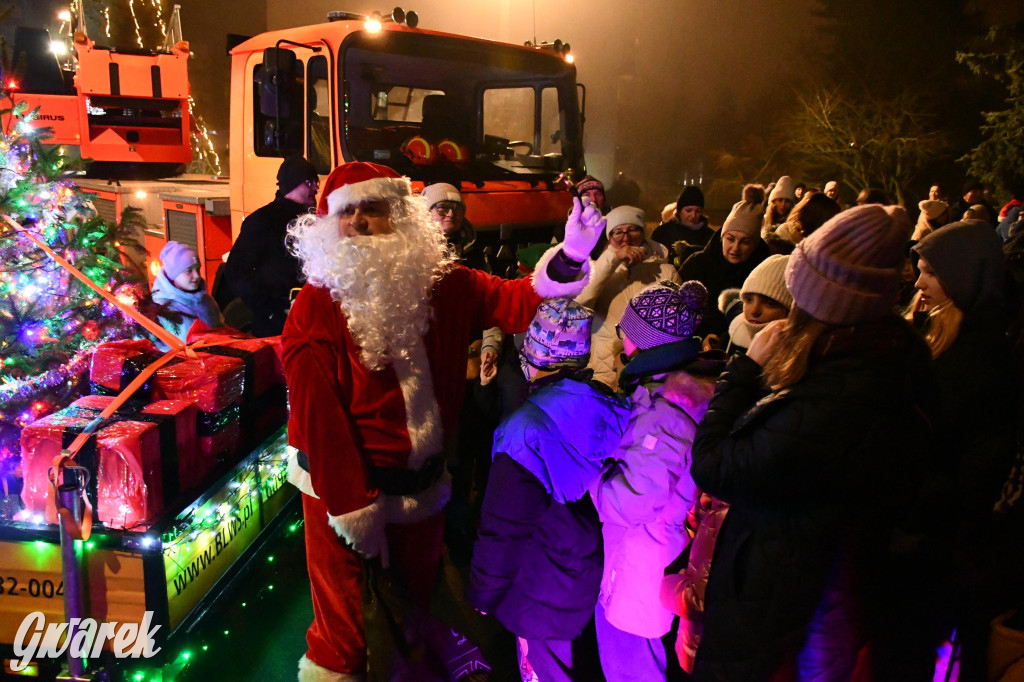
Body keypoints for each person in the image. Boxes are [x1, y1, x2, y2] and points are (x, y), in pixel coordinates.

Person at [281, 161, 603, 681]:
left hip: (423, 493)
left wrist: (570, 257)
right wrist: (352, 506)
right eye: (348, 212)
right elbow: (319, 418)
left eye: (374, 208)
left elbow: (517, 300)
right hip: (342, 499)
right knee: (345, 633)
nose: (360, 222)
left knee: (412, 614)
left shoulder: (447, 284)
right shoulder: (317, 305)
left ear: (401, 217)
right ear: (328, 225)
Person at [687, 205, 933, 680]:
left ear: (828, 304)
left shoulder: (832, 400)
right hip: (805, 595)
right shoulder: (884, 361)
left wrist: (744, 373)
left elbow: (718, 465)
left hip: (780, 609)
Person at [469, 297, 630, 682]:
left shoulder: (523, 431)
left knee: (542, 669)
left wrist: (483, 593)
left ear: (532, 353)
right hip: (584, 564)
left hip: (537, 581)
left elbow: (504, 527)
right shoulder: (608, 404)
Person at [590, 281, 720, 682]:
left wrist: (588, 471)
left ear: (645, 342)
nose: (621, 339)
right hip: (646, 553)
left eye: (626, 331)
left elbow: (628, 502)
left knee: (630, 665)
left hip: (642, 563)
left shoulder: (666, 413)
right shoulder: (668, 391)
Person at [908, 222, 1021, 679]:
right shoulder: (935, 334)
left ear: (965, 276)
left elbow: (973, 472)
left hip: (936, 545)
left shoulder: (984, 362)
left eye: (931, 272)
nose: (918, 283)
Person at [576, 205, 679, 389]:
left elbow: (677, 322)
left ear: (643, 232)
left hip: (650, 370)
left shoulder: (665, 271)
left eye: (633, 230)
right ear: (609, 237)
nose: (626, 238)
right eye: (618, 232)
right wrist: (613, 259)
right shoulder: (597, 270)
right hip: (604, 369)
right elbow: (580, 302)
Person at [220, 155, 319, 336]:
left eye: (316, 182)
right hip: (276, 326)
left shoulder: (314, 220)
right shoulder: (264, 221)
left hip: (308, 319)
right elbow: (236, 270)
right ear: (292, 183)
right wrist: (270, 310)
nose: (316, 187)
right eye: (309, 181)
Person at [679, 200, 770, 343]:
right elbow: (677, 308)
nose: (735, 247)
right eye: (731, 239)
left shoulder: (764, 271)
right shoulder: (697, 264)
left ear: (755, 245)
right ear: (722, 237)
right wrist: (702, 336)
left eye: (745, 242)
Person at [150, 240, 222, 349]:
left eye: (198, 269)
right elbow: (148, 348)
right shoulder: (159, 309)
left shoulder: (207, 301)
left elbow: (221, 330)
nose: (197, 275)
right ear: (173, 275)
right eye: (189, 270)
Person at [721, 254, 792, 354]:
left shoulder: (796, 358)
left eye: (770, 303)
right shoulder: (729, 337)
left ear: (790, 310)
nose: (754, 311)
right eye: (749, 299)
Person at [421, 182, 492, 273]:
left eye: (457, 208)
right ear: (427, 212)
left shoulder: (474, 251)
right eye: (442, 208)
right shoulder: (414, 250)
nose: (451, 214)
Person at [651, 185, 714, 256]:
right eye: (688, 210)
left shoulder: (711, 236)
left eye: (698, 211)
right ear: (679, 211)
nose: (693, 215)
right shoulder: (662, 233)